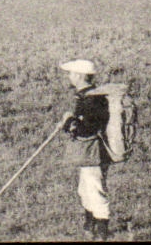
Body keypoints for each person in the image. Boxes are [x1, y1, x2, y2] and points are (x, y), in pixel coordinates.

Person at [59, 59, 112, 240]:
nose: (69, 77)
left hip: (94, 152)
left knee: (95, 190)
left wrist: (68, 122)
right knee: (85, 190)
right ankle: (90, 227)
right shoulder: (87, 96)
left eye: (71, 73)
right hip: (89, 152)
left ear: (79, 76)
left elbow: (87, 128)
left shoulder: (91, 99)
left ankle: (101, 233)